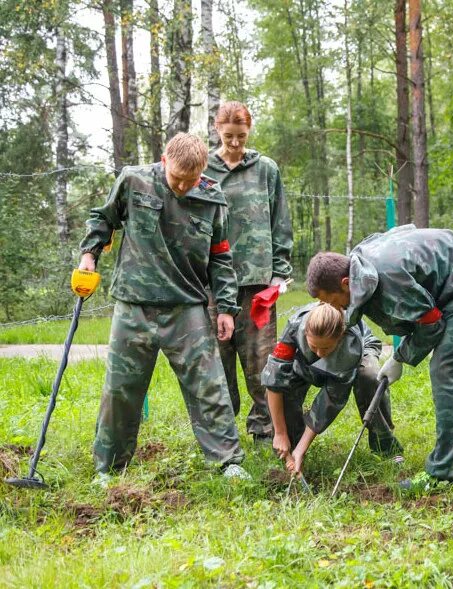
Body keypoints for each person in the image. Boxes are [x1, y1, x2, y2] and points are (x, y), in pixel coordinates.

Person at [78, 132, 249, 484]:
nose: (184, 186)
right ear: (163, 160)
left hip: (186, 307)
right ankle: (108, 469)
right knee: (120, 389)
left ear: (203, 171)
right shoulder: (134, 180)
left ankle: (228, 462)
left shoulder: (212, 197)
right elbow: (104, 218)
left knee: (210, 386)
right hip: (134, 304)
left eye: (192, 180)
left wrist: (227, 308)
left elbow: (220, 257)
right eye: (177, 179)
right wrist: (89, 256)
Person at [305, 226, 453, 493]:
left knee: (451, 372)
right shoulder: (359, 264)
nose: (335, 308)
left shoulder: (387, 278)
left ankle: (442, 473)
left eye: (332, 300)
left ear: (345, 283)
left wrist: (400, 356)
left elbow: (431, 323)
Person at [205, 101, 293, 444]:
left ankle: (263, 430)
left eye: (241, 136)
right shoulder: (205, 170)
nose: (235, 143)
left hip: (258, 283)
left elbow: (280, 223)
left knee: (261, 361)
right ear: (217, 130)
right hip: (214, 282)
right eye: (229, 136)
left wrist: (279, 274)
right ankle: (223, 432)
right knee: (219, 360)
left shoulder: (265, 169)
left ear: (249, 131)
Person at [262, 302, 403, 474]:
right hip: (305, 361)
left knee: (369, 377)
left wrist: (302, 448)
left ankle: (385, 446)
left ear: (340, 337)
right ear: (305, 332)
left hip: (357, 350)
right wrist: (280, 433)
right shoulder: (294, 327)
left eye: (326, 348)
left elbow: (330, 400)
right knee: (286, 394)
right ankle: (292, 449)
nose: (320, 353)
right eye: (314, 347)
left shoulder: (350, 346)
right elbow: (274, 380)